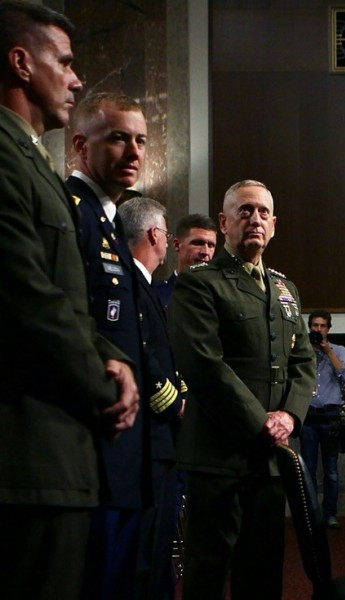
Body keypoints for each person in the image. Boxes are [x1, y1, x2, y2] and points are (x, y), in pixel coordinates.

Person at [0, 3, 138, 599]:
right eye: (64, 62)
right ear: (21, 63)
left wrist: (112, 356)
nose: (77, 80)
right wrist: (104, 384)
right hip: (27, 452)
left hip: (54, 452)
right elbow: (25, 297)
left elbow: (66, 301)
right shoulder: (6, 156)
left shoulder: (30, 160)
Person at [168, 179, 315, 600]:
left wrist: (289, 416)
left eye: (263, 212)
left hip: (271, 460)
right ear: (224, 222)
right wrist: (260, 421)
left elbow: (304, 362)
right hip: (218, 457)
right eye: (245, 210)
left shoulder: (285, 289)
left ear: (274, 225)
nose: (255, 219)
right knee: (208, 574)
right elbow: (203, 363)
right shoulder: (200, 283)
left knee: (262, 574)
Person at [67, 91, 151, 599]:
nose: (134, 151)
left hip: (122, 444)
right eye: (119, 138)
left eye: (140, 140)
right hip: (94, 434)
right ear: (81, 145)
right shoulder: (72, 212)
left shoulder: (111, 220)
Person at [118, 197, 187, 600]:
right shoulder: (132, 284)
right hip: (150, 437)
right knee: (148, 550)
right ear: (155, 234)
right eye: (166, 232)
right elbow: (145, 359)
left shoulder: (138, 283)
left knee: (156, 551)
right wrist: (176, 405)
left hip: (154, 438)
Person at [300, 310, 345, 530]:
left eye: (322, 326)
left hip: (331, 417)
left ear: (328, 329)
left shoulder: (339, 350)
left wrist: (327, 350)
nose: (318, 329)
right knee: (308, 469)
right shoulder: (302, 350)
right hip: (308, 417)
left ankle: (330, 513)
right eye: (315, 325)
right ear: (309, 327)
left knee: (331, 470)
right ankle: (312, 515)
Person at [154, 212, 217, 307]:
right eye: (197, 243)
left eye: (211, 245)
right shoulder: (155, 294)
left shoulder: (221, 297)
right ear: (177, 245)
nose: (205, 252)